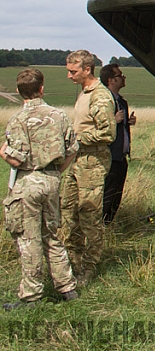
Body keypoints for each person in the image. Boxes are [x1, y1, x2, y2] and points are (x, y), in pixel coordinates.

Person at [0, 68, 79, 310]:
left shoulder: (17, 120)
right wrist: (55, 172)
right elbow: (73, 148)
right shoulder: (59, 115)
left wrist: (3, 152)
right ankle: (67, 288)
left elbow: (17, 159)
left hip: (28, 183)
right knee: (52, 234)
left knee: (29, 239)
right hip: (52, 181)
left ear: (18, 91)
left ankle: (31, 296)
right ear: (41, 88)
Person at [61, 50, 115, 286]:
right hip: (77, 160)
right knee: (68, 210)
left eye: (73, 72)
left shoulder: (100, 96)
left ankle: (90, 267)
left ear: (87, 70)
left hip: (91, 162)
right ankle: (73, 261)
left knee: (89, 214)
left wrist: (78, 140)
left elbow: (107, 132)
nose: (69, 76)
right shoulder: (84, 93)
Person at [99, 63, 134, 224]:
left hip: (120, 156)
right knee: (108, 193)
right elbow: (95, 127)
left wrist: (127, 122)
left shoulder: (122, 102)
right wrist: (114, 120)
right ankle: (102, 224)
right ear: (111, 80)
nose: (123, 78)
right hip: (110, 155)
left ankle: (108, 223)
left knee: (116, 193)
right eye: (120, 76)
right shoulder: (104, 102)